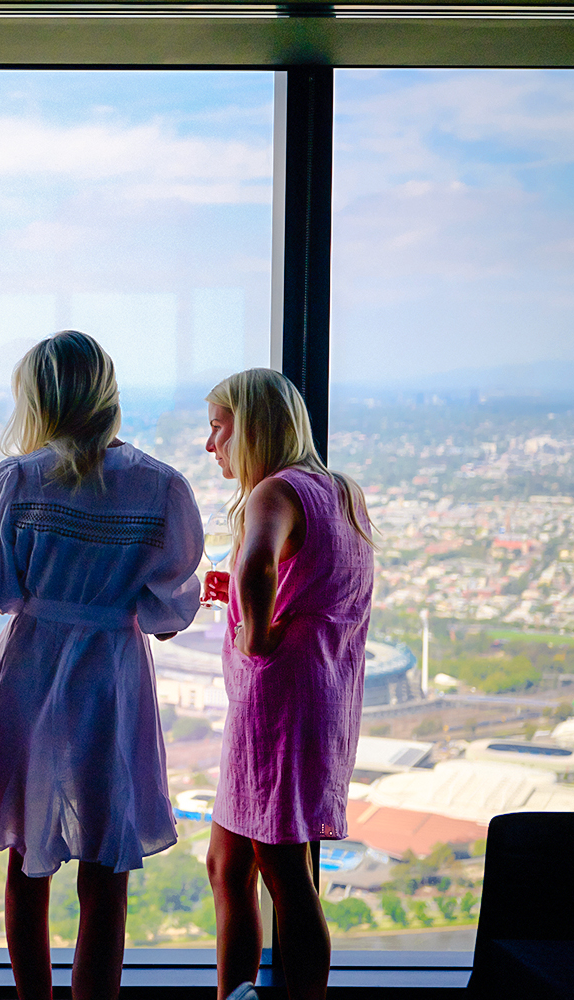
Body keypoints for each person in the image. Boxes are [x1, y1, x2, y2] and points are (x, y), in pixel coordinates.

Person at [0, 331, 204, 1000]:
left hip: (31, 667)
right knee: (106, 871)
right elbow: (168, 614)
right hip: (111, 675)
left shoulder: (20, 479)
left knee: (23, 863)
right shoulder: (161, 487)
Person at [200, 368, 374, 1000]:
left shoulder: (271, 493)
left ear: (251, 428)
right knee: (231, 863)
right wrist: (260, 609)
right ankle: (238, 994)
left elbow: (256, 562)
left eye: (218, 427)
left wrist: (257, 634)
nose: (211, 443)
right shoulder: (340, 492)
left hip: (278, 705)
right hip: (318, 696)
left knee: (281, 873)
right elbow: (318, 583)